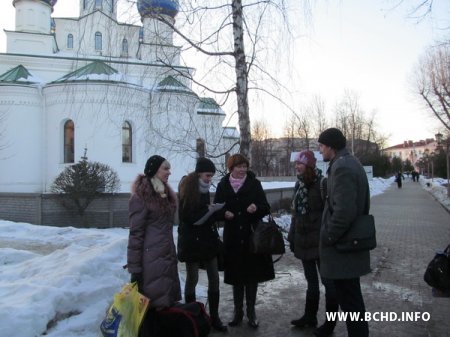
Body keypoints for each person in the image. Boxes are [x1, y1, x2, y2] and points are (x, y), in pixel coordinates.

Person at [318, 128, 371, 337]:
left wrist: (328, 236)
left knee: (351, 303)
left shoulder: (342, 167)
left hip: (343, 246)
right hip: (347, 244)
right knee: (351, 301)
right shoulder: (347, 163)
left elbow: (344, 211)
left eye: (322, 146)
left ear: (331, 146)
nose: (320, 150)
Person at [213, 154, 275, 329]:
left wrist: (256, 208)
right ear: (231, 168)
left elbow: (265, 207)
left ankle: (251, 312)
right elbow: (216, 208)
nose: (242, 170)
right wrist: (224, 213)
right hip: (232, 238)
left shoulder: (254, 184)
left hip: (251, 237)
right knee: (236, 276)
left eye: (244, 166)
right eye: (238, 167)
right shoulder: (223, 185)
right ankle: (237, 311)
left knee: (251, 276)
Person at [127, 155, 181, 336]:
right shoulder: (142, 197)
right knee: (151, 305)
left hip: (165, 256)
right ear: (154, 171)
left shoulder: (163, 193)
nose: (169, 172)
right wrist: (135, 267)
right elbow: (135, 234)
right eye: (165, 168)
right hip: (150, 261)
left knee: (164, 303)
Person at [288, 150, 338, 337]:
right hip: (303, 241)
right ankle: (310, 317)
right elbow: (295, 214)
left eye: (300, 164)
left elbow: (331, 212)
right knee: (311, 283)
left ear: (310, 165)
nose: (297, 167)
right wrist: (292, 236)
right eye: (296, 164)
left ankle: (330, 323)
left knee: (329, 283)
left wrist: (329, 236)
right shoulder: (298, 185)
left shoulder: (323, 184)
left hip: (320, 242)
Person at [177, 157, 228, 332]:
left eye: (211, 176)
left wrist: (218, 212)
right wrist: (209, 210)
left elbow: (205, 216)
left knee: (214, 278)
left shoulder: (204, 188)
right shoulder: (186, 187)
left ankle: (215, 317)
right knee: (192, 278)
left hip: (207, 241)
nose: (209, 179)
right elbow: (188, 217)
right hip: (191, 242)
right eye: (207, 175)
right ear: (199, 173)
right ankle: (191, 317)